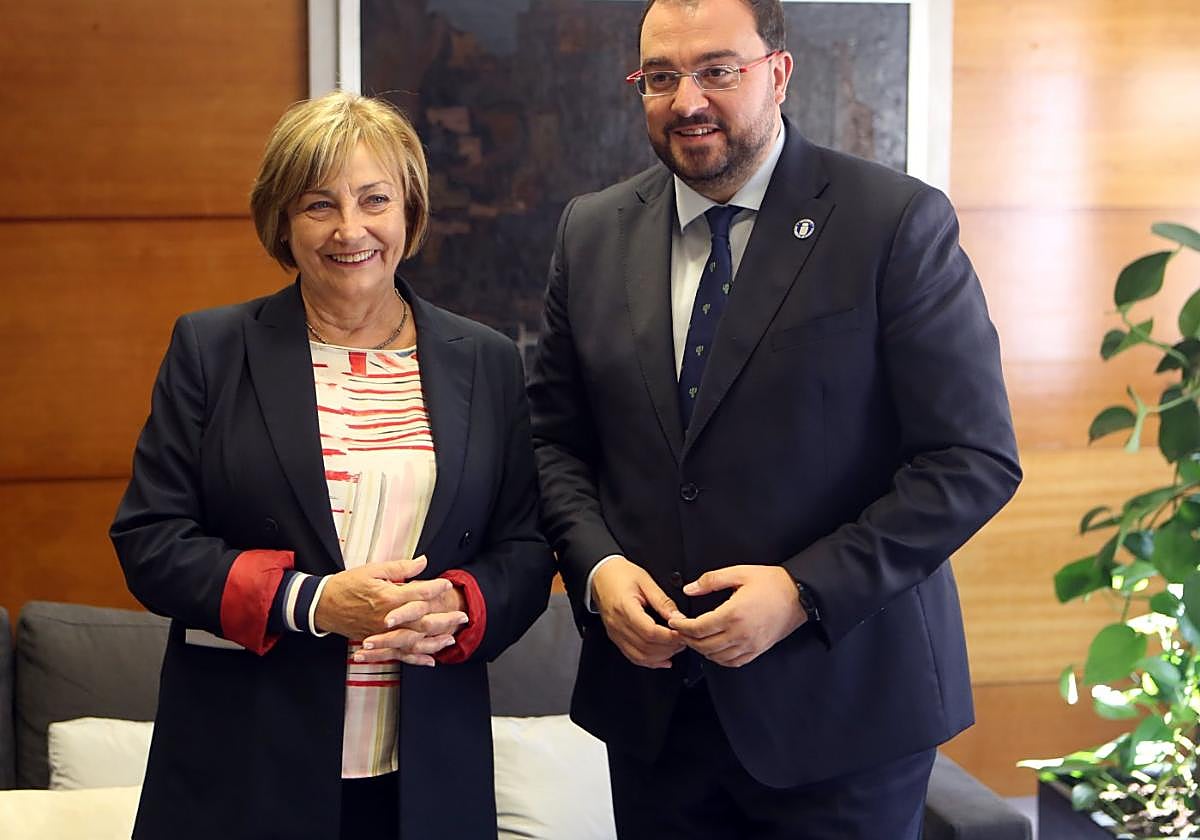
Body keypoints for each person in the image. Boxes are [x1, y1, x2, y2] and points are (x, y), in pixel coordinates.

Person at [527, 0, 1022, 837]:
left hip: (842, 712)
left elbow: (971, 460)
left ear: (779, 73)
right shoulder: (591, 233)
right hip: (655, 718)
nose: (687, 100)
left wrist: (803, 591)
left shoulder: (893, 223)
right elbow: (553, 443)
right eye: (660, 76)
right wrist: (597, 567)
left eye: (718, 70)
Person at [110, 91, 555, 839]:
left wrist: (461, 602)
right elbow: (150, 541)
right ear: (283, 222)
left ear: (409, 213)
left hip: (427, 770)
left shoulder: (486, 361)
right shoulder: (211, 351)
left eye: (374, 199)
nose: (351, 229)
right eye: (320, 204)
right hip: (245, 767)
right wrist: (312, 602)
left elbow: (525, 549)